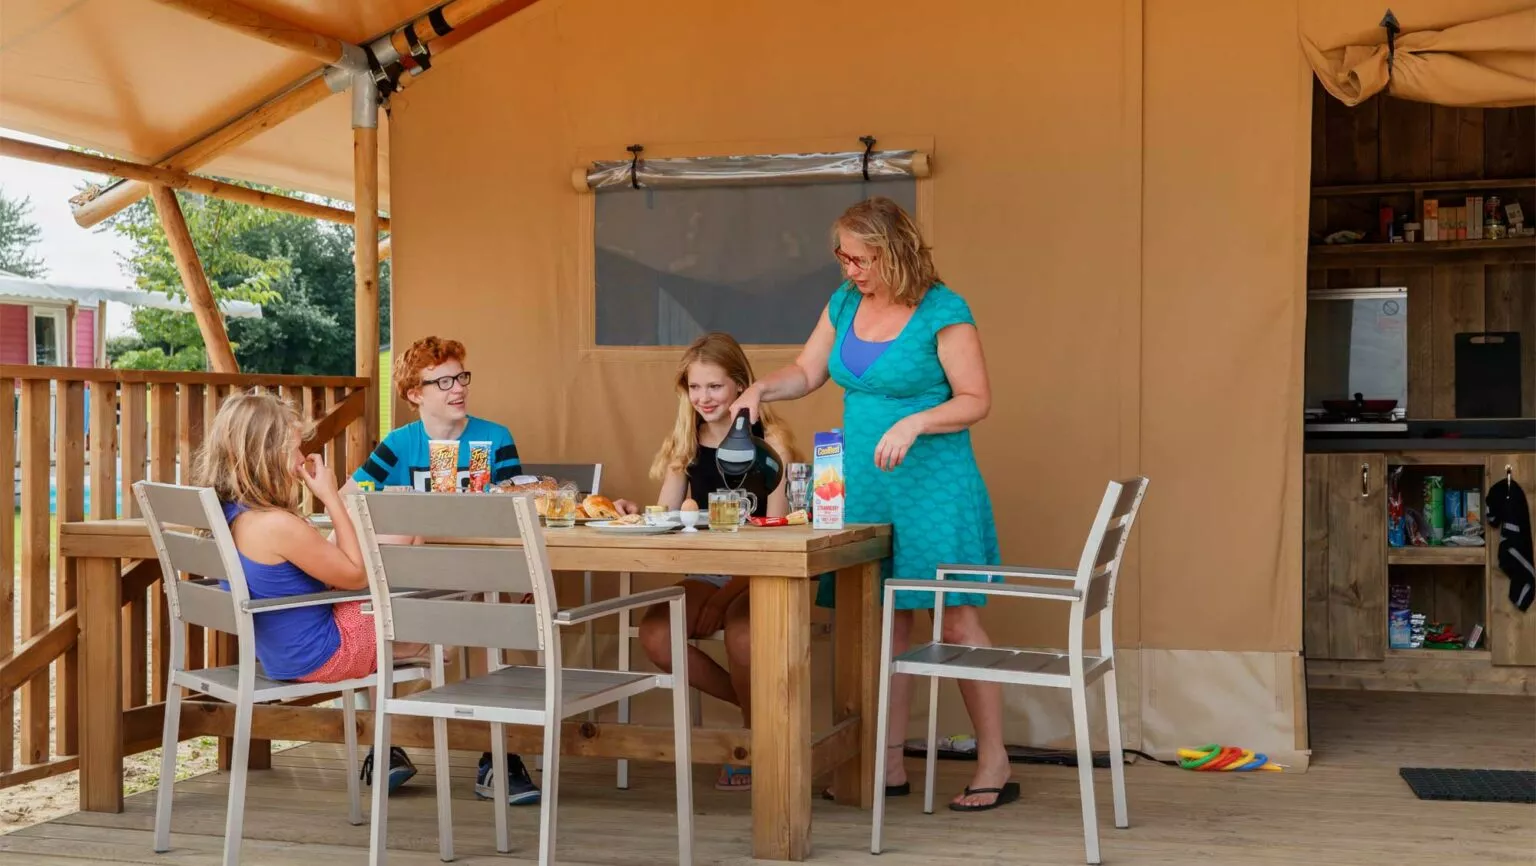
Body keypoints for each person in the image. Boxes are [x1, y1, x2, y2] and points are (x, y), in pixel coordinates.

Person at [729, 196, 1015, 812]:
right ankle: (886, 762)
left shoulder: (943, 309)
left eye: (860, 259)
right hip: (862, 481)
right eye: (843, 257)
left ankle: (994, 757)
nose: (849, 269)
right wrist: (760, 388)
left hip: (934, 484)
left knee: (954, 619)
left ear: (894, 251)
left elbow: (975, 399)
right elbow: (807, 372)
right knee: (882, 621)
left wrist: (915, 422)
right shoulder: (842, 303)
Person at [342, 336, 540, 805]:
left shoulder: (494, 437)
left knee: (490, 612)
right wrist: (395, 502)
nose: (459, 388)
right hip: (414, 577)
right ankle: (384, 744)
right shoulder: (399, 444)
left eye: (461, 377)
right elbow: (351, 496)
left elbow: (517, 507)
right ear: (415, 393)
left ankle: (498, 755)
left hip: (478, 569)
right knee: (366, 609)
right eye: (444, 381)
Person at [613, 332, 796, 792]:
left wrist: (728, 594)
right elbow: (666, 515)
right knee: (657, 634)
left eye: (715, 386)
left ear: (740, 387)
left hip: (762, 569)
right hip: (708, 568)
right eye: (695, 387)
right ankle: (761, 721)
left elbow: (777, 531)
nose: (704, 397)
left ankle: (753, 742)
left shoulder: (770, 440)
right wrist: (635, 513)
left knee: (743, 635)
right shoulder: (686, 442)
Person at [192, 390, 440, 682]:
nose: (301, 459)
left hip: (283, 656)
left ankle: (404, 645)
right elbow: (356, 577)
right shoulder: (275, 525)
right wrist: (330, 496)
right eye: (294, 449)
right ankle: (415, 642)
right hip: (326, 655)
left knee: (363, 534)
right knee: (405, 527)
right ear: (267, 455)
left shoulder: (232, 513)